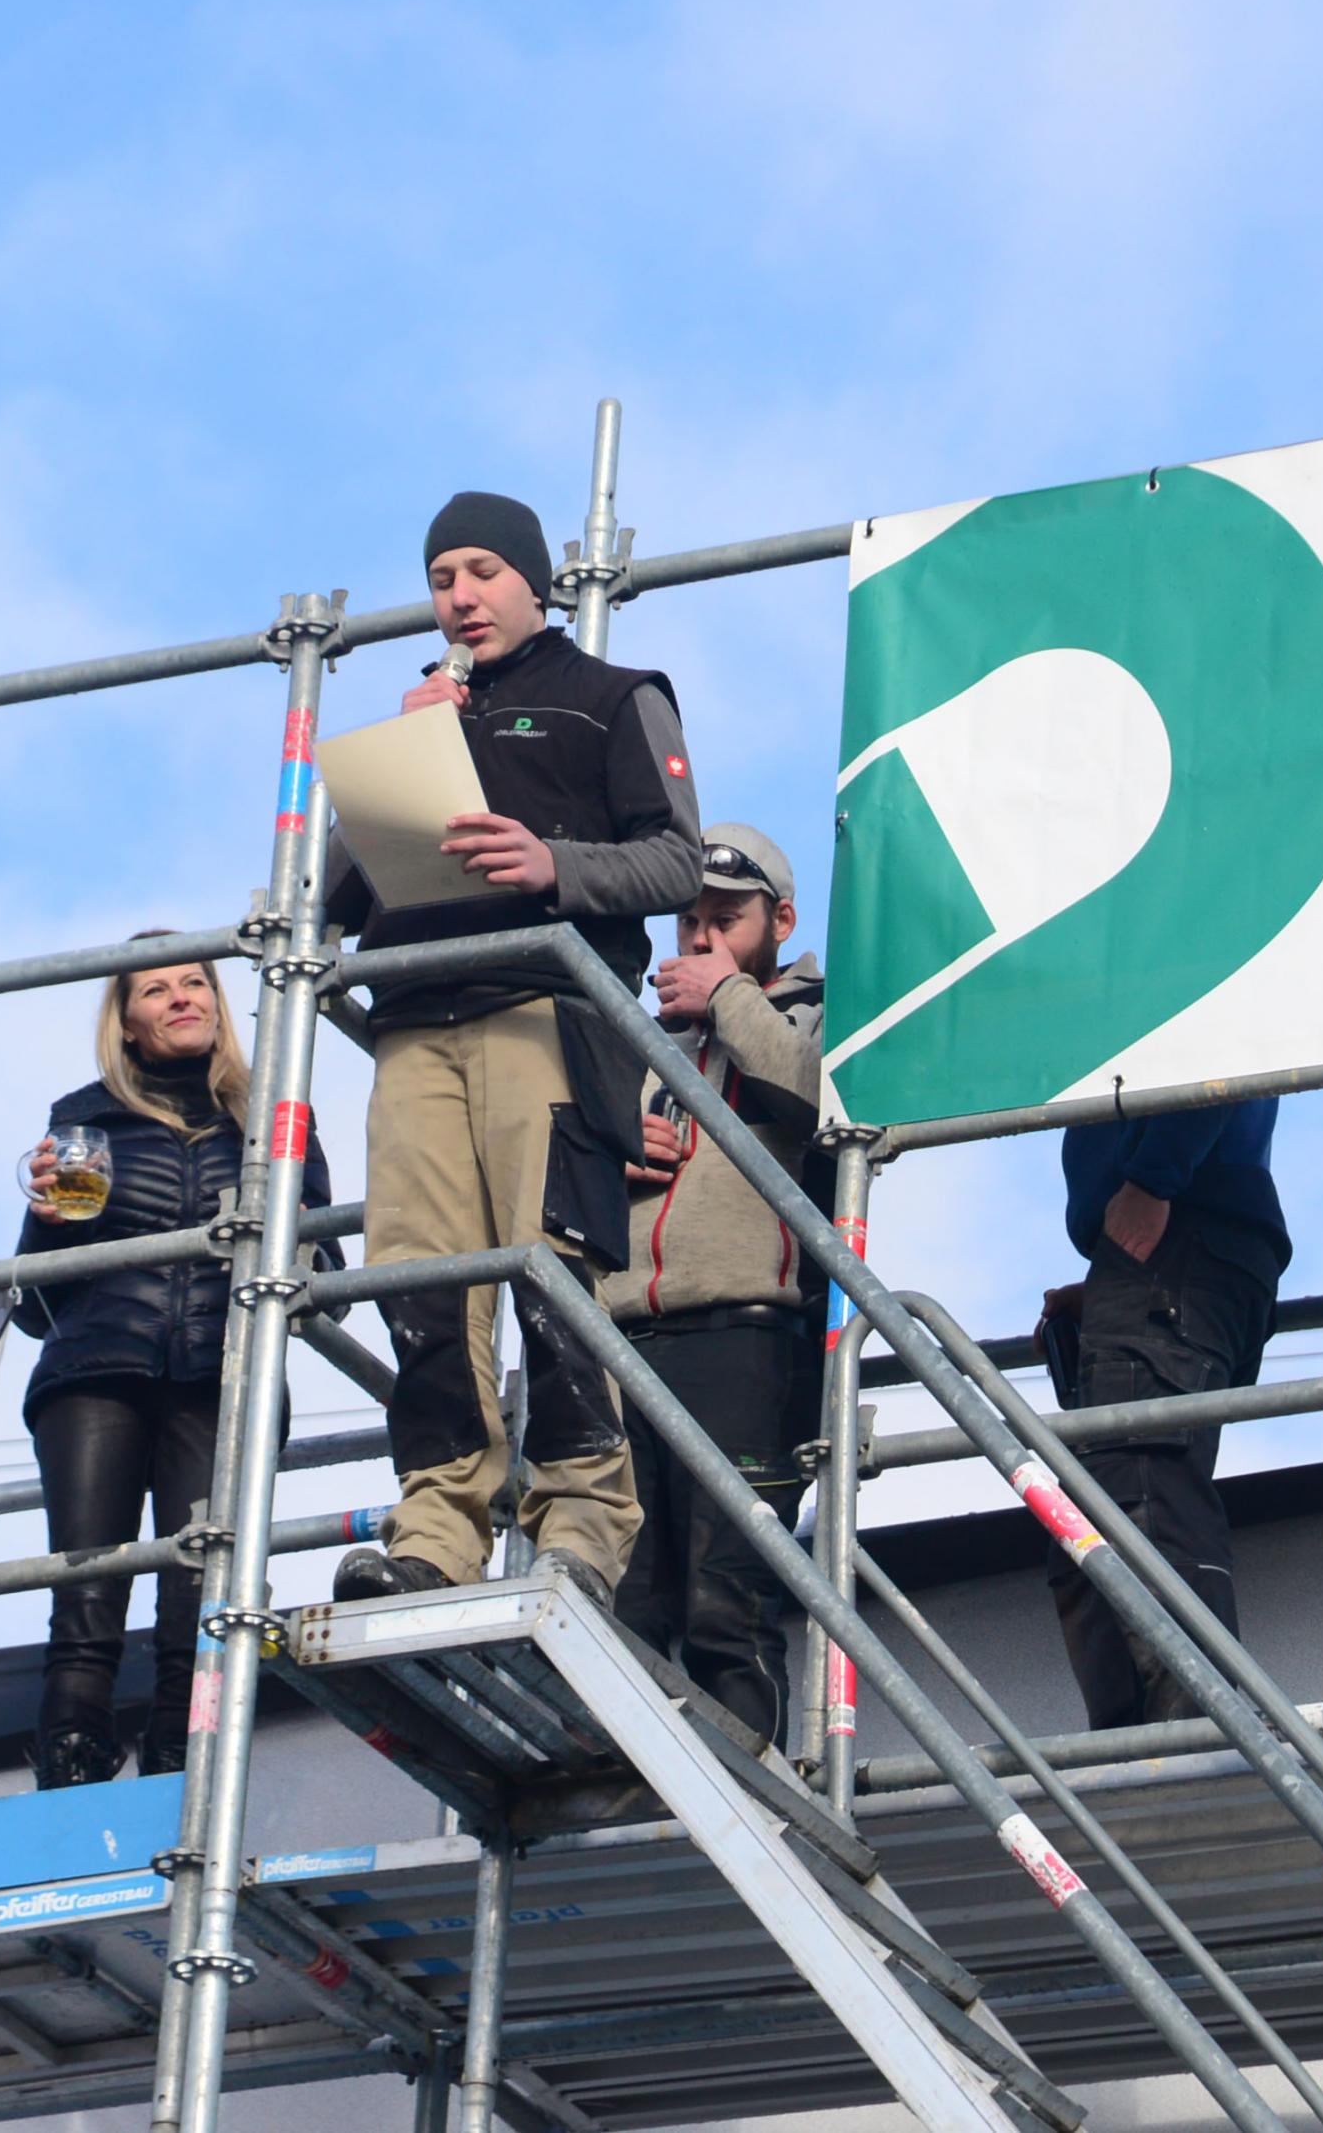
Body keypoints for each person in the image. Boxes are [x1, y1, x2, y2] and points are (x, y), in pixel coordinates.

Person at [326, 490, 704, 1602]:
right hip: (412, 1025)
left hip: (545, 1015)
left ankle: (582, 1528)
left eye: (483, 571)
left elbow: (676, 861)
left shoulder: (612, 698)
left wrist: (554, 864)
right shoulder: (421, 713)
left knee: (553, 1276)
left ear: (535, 581)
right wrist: (402, 750)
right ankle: (436, 1535)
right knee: (421, 1288)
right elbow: (329, 898)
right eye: (442, 578)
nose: (460, 596)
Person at [8, 947, 330, 1789]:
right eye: (157, 988)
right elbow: (33, 1306)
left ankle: (182, 1778)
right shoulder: (83, 1121)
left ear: (219, 1004)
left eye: (196, 983)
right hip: (95, 1372)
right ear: (127, 1023)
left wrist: (304, 1245)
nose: (182, 997)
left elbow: (327, 1272)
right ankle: (70, 1775)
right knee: (87, 1598)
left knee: (200, 1600)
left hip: (224, 1379)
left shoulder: (275, 1115)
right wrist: (45, 1223)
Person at [598, 823, 826, 1740]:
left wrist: (728, 993)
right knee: (624, 1604)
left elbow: (812, 1097)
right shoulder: (639, 1041)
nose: (700, 939)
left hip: (749, 1337)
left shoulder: (825, 1011)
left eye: (725, 920)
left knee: (725, 1602)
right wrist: (607, 1157)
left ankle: (750, 1800)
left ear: (781, 921)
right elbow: (551, 1181)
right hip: (621, 1339)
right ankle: (630, 1792)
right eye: (689, 921)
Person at [1035, 1102, 1290, 1730]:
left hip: (1181, 1229)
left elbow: (1214, 1058)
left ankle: (1188, 1735)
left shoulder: (1166, 1183)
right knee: (1093, 1526)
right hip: (1175, 1245)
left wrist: (1152, 1183)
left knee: (1138, 1497)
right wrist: (1112, 1276)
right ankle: (1141, 1747)